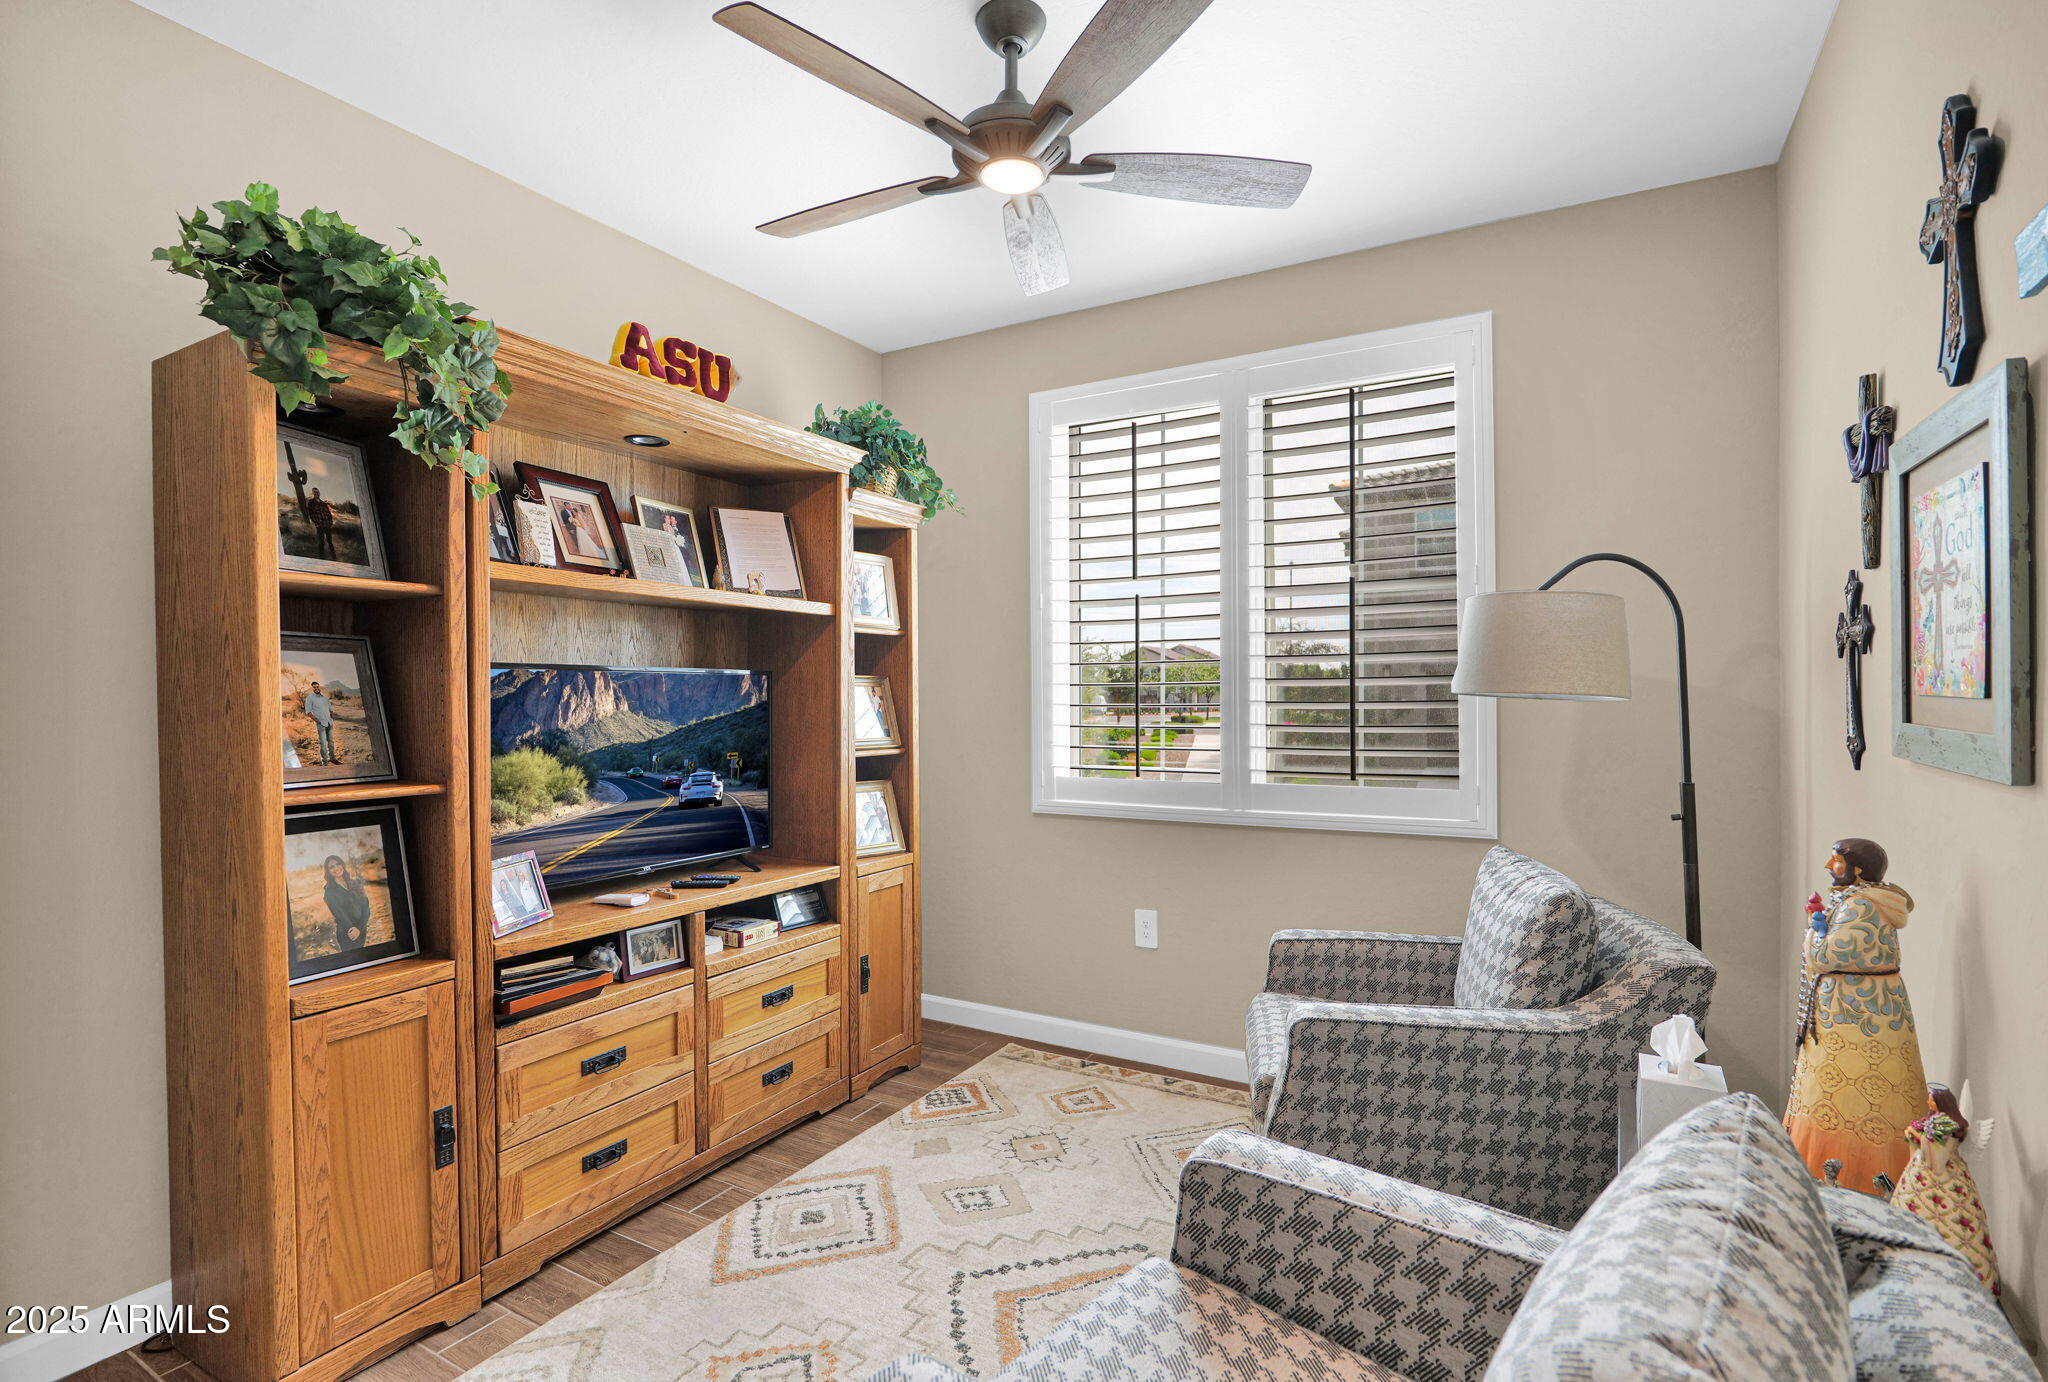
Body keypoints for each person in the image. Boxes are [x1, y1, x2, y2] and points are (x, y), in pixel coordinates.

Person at [1784, 837, 1927, 1193]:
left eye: (1835, 861)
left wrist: (1811, 934)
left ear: (1858, 870)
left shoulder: (1859, 907)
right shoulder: (1858, 902)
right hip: (1861, 1012)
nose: (1828, 867)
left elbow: (1824, 957)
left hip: (1853, 1020)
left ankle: (1854, 1182)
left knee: (1848, 1101)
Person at [322, 855, 371, 950]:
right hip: (348, 933)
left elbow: (366, 908)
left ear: (343, 865)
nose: (336, 868)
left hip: (361, 929)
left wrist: (360, 928)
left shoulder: (355, 883)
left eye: (338, 864)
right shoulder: (330, 892)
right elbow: (340, 915)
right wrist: (353, 930)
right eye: (331, 867)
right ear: (328, 871)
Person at [303, 681, 337, 764]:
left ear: (319, 687)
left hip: (329, 722)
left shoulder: (324, 698)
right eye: (314, 687)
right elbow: (308, 712)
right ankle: (324, 762)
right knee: (323, 743)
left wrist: (331, 718)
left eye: (317, 687)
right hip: (321, 724)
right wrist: (317, 721)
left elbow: (330, 709)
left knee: (331, 742)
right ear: (312, 688)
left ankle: (332, 758)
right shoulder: (310, 698)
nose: (316, 688)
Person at [305, 486, 338, 561]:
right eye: (315, 492)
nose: (316, 493)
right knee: (321, 542)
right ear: (313, 493)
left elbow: (329, 514)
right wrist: (316, 523)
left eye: (317, 492)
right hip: (319, 525)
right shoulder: (311, 502)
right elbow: (311, 514)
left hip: (327, 524)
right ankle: (321, 559)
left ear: (319, 493)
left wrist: (330, 523)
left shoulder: (324, 503)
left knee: (330, 542)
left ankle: (334, 557)